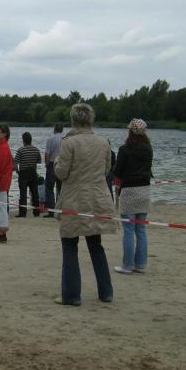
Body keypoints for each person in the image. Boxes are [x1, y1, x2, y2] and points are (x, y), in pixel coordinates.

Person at [53, 103, 116, 306]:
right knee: (96, 245)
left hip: (75, 199)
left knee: (69, 244)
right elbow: (106, 169)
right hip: (97, 198)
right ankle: (106, 292)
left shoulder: (69, 142)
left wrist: (56, 163)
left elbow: (61, 173)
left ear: (73, 120)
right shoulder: (103, 142)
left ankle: (71, 295)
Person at [112, 119, 153, 275]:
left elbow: (117, 171)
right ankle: (140, 264)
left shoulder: (125, 149)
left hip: (129, 190)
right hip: (144, 190)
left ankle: (127, 265)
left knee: (128, 230)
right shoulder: (148, 148)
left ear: (130, 131)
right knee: (141, 229)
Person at [13, 131, 42, 217]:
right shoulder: (36, 149)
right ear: (31, 140)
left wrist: (18, 172)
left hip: (23, 173)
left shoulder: (20, 150)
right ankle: (36, 213)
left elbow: (15, 163)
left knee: (23, 194)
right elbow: (39, 161)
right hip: (33, 173)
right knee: (35, 194)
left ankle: (22, 213)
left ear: (23, 140)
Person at [44, 123, 65, 217]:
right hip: (63, 164)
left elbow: (47, 153)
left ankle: (51, 211)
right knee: (61, 189)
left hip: (52, 163)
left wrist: (47, 164)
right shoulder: (65, 139)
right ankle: (61, 209)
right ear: (62, 129)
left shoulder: (51, 139)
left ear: (54, 129)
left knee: (49, 188)